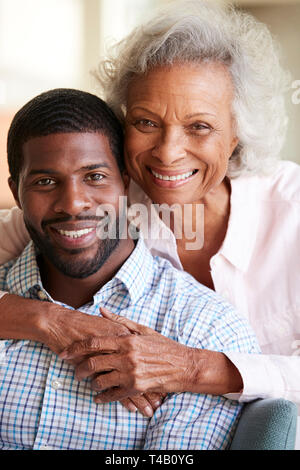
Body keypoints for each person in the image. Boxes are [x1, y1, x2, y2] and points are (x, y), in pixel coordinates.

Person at [0, 0, 299, 443]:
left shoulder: (292, 209)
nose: (167, 151)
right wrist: (55, 321)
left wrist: (193, 366)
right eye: (146, 122)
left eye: (199, 126)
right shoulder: (98, 203)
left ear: (237, 132)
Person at [0, 88, 259, 450]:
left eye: (94, 176)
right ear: (17, 192)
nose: (73, 204)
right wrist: (49, 321)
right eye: (45, 182)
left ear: (126, 179)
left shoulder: (204, 330)